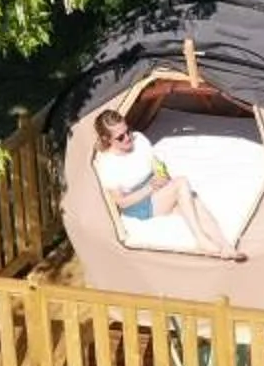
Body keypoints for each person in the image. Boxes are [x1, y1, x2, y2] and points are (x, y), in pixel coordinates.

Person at [93, 107, 241, 258]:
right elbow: (121, 202)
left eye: (128, 131)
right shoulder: (108, 164)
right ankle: (201, 239)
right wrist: (150, 188)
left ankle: (225, 246)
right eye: (120, 137)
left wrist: (162, 176)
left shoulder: (139, 139)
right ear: (107, 139)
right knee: (181, 183)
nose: (127, 138)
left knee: (193, 202)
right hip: (139, 204)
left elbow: (156, 164)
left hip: (156, 191)